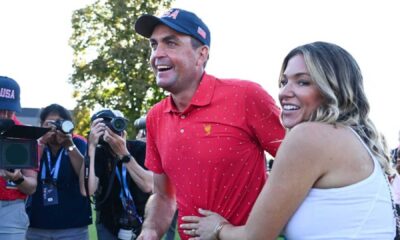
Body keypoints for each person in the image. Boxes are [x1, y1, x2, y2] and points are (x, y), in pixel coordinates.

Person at [181, 41, 396, 240]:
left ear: (332, 89)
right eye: (284, 82)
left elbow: (255, 236)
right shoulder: (348, 138)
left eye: (302, 82)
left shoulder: (309, 136)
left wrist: (218, 228)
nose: (284, 92)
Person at [134, 8, 286, 240]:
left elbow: (299, 169)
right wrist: (151, 230)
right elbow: (164, 196)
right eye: (154, 45)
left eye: (171, 43)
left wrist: (225, 231)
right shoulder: (155, 117)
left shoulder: (245, 96)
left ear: (202, 54)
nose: (157, 54)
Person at [80, 109, 152, 240]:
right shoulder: (99, 154)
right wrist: (91, 146)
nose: (108, 130)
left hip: (142, 222)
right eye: (102, 126)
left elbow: (149, 186)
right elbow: (87, 190)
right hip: (109, 223)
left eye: (113, 124)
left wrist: (123, 153)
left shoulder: (140, 149)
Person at [25, 104, 92, 240]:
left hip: (73, 225)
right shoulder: (34, 143)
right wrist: (41, 143)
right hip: (37, 224)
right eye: (49, 124)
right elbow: (27, 172)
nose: (54, 128)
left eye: (58, 123)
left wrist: (69, 146)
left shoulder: (78, 143)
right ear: (41, 125)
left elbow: (85, 175)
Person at [0, 76, 38, 240]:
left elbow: (31, 187)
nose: (6, 115)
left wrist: (18, 178)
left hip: (11, 209)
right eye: (0, 109)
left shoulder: (24, 133)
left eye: (11, 109)